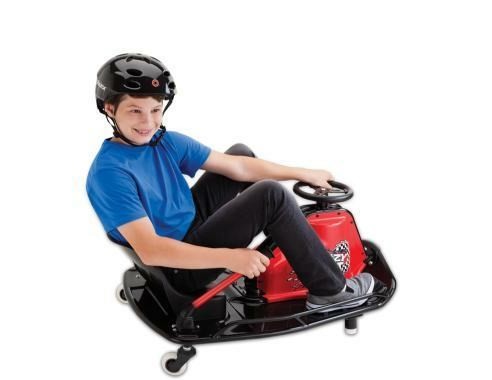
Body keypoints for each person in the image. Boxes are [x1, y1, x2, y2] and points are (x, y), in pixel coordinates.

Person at [86, 52, 375, 312]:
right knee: (271, 195)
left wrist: (302, 173)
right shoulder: (109, 173)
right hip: (175, 267)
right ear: (110, 109)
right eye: (135, 111)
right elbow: (151, 250)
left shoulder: (165, 141)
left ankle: (286, 236)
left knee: (240, 153)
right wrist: (230, 258)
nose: (148, 122)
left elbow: (238, 165)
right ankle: (331, 291)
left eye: (155, 110)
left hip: (186, 227)